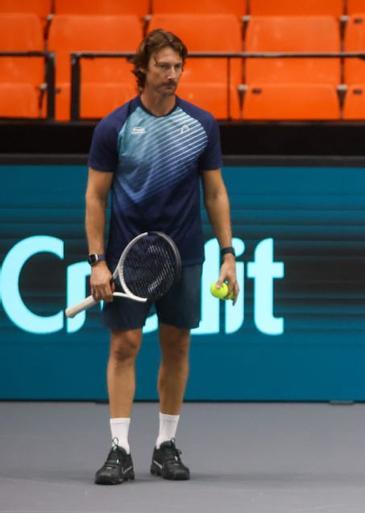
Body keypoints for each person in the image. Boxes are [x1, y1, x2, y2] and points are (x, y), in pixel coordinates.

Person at [85, 29, 239, 485]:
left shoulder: (201, 125)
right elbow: (96, 197)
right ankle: (119, 450)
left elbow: (214, 191)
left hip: (184, 253)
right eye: (163, 67)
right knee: (124, 345)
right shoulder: (115, 127)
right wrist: (96, 259)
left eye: (178, 67)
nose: (172, 75)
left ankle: (165, 445)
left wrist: (228, 254)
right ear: (143, 69)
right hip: (127, 254)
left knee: (177, 345)